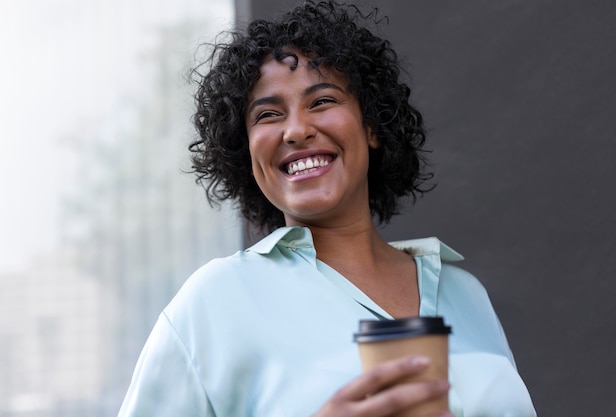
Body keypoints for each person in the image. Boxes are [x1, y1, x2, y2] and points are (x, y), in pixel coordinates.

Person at [118, 1, 537, 416]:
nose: (297, 130)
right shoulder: (212, 304)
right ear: (244, 151)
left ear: (371, 126)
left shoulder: (466, 295)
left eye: (321, 102)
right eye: (267, 114)